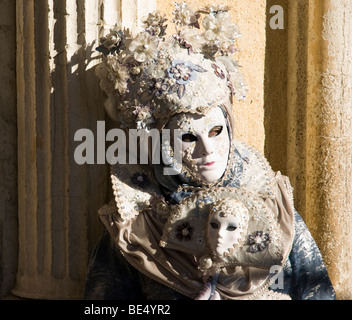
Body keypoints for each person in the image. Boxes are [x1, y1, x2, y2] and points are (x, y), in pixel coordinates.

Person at [84, 3, 336, 300]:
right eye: (188, 137)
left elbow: (317, 294)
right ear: (162, 143)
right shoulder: (137, 226)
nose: (207, 149)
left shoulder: (272, 205)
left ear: (229, 127)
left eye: (216, 131)